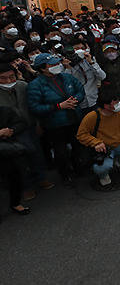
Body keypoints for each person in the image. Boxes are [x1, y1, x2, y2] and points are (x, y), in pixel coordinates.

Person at [27, 53, 86, 186]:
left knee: (78, 145)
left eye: (57, 63)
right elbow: (35, 107)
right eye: (52, 65)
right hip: (55, 124)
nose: (57, 66)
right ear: (42, 68)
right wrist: (58, 106)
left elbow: (80, 90)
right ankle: (65, 174)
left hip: (74, 118)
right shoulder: (35, 85)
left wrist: (75, 100)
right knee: (61, 152)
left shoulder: (66, 77)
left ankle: (79, 167)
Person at [0, 63, 54, 200]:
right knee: (19, 162)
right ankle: (26, 187)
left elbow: (33, 106)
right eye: (3, 78)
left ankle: (41, 178)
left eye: (11, 77)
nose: (8, 81)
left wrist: (38, 124)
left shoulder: (23, 86)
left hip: (30, 126)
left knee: (36, 153)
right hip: (9, 133)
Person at [76, 87, 120, 186]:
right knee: (101, 168)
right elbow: (81, 135)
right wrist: (96, 142)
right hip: (104, 149)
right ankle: (103, 175)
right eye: (115, 103)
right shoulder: (92, 117)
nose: (119, 104)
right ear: (106, 105)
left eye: (118, 101)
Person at [0, 105, 32, 217]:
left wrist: (11, 130)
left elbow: (22, 123)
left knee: (14, 175)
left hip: (7, 150)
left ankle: (15, 203)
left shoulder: (4, 110)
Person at [66, 38, 106, 113]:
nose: (80, 50)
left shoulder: (90, 59)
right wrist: (69, 67)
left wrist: (91, 62)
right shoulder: (68, 63)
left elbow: (102, 76)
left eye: (82, 48)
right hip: (79, 104)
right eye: (77, 49)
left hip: (94, 101)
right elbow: (66, 82)